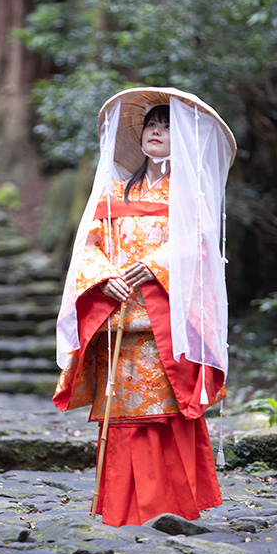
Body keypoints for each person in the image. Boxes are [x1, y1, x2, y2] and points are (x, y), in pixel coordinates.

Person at [54, 88, 235, 527]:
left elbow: (198, 249)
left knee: (164, 412)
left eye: (167, 126)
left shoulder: (190, 196)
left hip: (165, 321)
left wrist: (154, 265)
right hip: (119, 320)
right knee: (122, 412)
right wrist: (104, 278)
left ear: (185, 139)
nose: (156, 131)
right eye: (151, 125)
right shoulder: (115, 192)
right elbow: (90, 246)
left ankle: (168, 506)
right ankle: (121, 508)